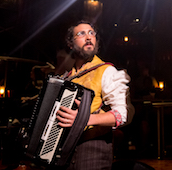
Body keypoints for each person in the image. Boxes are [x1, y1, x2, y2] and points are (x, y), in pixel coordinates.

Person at [56, 20, 134, 170]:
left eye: (92, 33)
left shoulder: (106, 71)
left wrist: (84, 119)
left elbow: (122, 114)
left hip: (91, 149)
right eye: (81, 34)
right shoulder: (66, 78)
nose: (88, 37)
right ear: (70, 44)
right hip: (63, 152)